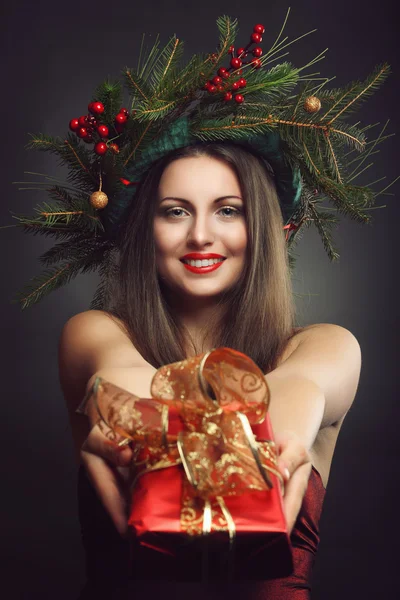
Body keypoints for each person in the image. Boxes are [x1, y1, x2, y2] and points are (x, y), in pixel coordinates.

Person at [58, 142, 361, 598]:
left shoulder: (325, 346)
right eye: (176, 212)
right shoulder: (93, 332)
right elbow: (126, 381)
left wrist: (280, 442)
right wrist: (134, 417)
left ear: (266, 228)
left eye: (228, 211)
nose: (200, 235)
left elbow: (294, 396)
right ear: (146, 230)